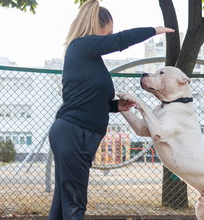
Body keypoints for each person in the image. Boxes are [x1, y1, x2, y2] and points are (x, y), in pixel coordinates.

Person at [48, 0, 174, 219]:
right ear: (96, 26)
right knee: (74, 204)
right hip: (74, 133)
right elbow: (120, 40)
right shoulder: (80, 46)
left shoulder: (90, 58)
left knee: (63, 203)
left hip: (79, 134)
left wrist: (116, 106)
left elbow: (88, 99)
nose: (110, 37)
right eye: (109, 32)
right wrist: (153, 30)